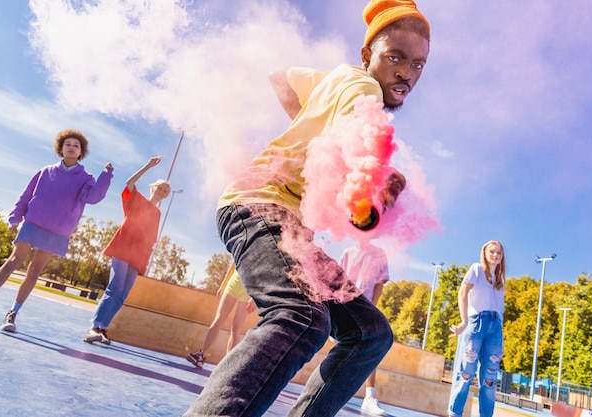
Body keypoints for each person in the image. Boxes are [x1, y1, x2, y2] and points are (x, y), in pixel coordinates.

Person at [183, 1, 430, 416]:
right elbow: (360, 139)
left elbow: (281, 78)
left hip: (289, 226)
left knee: (369, 334)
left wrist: (309, 132)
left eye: (418, 64)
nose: (407, 72)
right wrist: (365, 188)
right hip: (258, 206)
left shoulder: (333, 78)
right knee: (301, 316)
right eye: (395, 57)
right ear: (367, 54)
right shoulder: (364, 91)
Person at [0, 129, 113, 333]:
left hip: (58, 232)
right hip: (32, 224)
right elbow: (26, 195)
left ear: (80, 151)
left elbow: (93, 198)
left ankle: (12, 313)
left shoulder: (86, 177)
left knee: (34, 271)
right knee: (12, 262)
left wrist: (106, 176)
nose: (71, 147)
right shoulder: (45, 171)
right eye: (68, 144)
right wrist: (15, 218)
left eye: (76, 145)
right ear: (61, 148)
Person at [83, 156, 170, 345]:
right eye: (160, 187)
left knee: (122, 296)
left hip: (138, 258)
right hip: (122, 250)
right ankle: (93, 327)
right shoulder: (136, 199)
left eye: (166, 190)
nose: (162, 191)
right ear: (153, 188)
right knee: (113, 289)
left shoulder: (157, 213)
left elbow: (150, 241)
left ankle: (103, 328)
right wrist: (148, 165)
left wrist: (143, 265)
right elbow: (129, 182)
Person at [448, 240, 506, 417]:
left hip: (495, 327)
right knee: (466, 372)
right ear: (485, 253)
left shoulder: (501, 279)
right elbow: (463, 293)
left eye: (499, 253)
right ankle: (455, 413)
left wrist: (501, 341)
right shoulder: (476, 269)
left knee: (490, 379)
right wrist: (464, 321)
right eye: (492, 252)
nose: (495, 255)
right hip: (476, 323)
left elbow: (500, 309)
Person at [339, 240, 390, 416]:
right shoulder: (347, 252)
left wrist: (372, 308)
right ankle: (333, 390)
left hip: (366, 309)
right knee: (342, 350)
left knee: (372, 347)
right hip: (345, 308)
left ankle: (369, 397)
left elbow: (380, 283)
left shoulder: (379, 253)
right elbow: (338, 280)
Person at [186, 263, 255, 368]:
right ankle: (201, 356)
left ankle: (226, 366)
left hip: (247, 291)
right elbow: (233, 265)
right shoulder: (244, 246)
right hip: (232, 285)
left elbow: (265, 274)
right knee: (218, 320)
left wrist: (254, 297)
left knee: (235, 328)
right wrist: (222, 285)